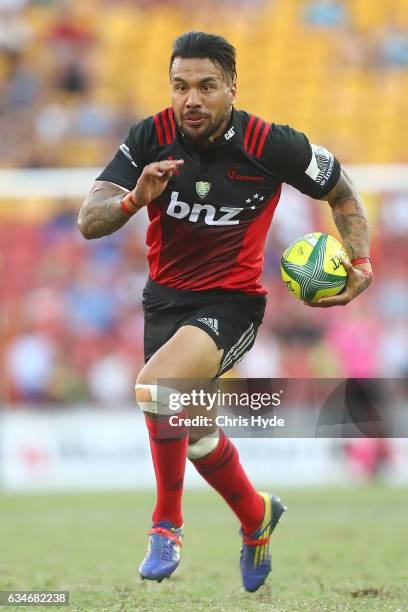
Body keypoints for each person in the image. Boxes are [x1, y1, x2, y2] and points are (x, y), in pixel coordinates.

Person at [78, 31, 372, 593]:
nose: (191, 99)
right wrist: (133, 199)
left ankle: (166, 524)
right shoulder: (150, 136)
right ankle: (256, 516)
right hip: (164, 301)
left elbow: (344, 193)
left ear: (232, 88)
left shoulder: (271, 144)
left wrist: (360, 261)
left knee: (156, 388)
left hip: (233, 304)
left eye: (206, 86)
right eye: (180, 86)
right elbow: (89, 221)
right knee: (191, 431)